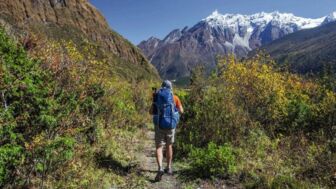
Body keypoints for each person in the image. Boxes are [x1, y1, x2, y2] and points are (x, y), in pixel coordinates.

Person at [150, 80, 184, 182]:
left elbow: (151, 111)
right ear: (170, 88)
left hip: (159, 125)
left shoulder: (157, 97)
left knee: (159, 146)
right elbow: (182, 111)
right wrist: (176, 112)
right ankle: (168, 167)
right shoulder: (175, 97)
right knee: (169, 145)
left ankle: (160, 168)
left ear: (162, 87)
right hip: (171, 126)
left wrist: (155, 103)